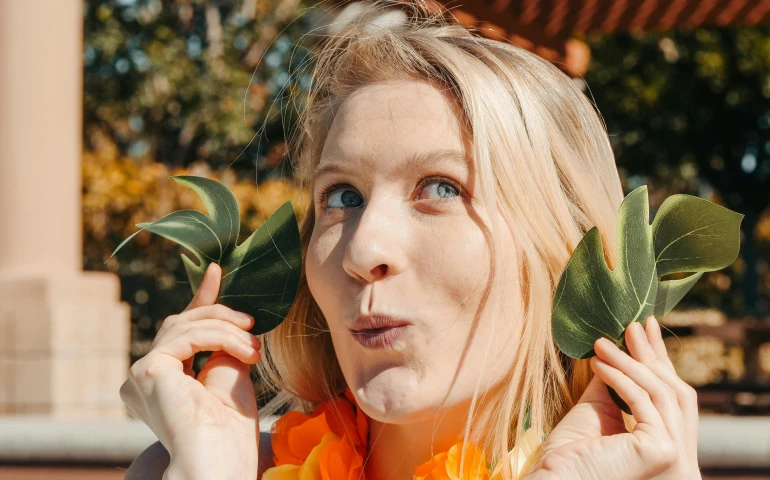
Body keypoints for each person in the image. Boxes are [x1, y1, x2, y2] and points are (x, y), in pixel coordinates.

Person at [121, 1, 702, 478]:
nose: (362, 250)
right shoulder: (200, 467)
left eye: (442, 188)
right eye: (342, 197)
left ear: (565, 251)